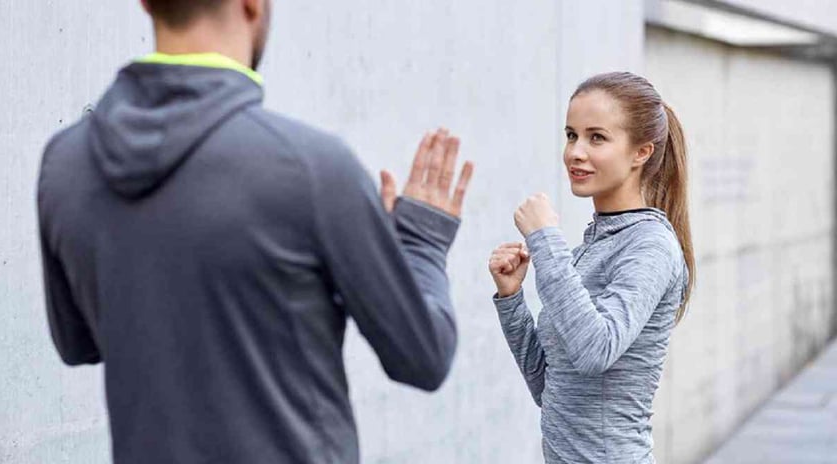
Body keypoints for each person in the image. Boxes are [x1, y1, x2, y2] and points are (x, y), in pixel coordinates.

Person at [36, 1, 473, 463]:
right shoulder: (311, 169)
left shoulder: (66, 165)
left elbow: (77, 342)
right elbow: (423, 356)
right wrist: (420, 242)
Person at [488, 71, 695, 463]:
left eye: (596, 137)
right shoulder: (593, 244)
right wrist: (511, 297)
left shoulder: (650, 245)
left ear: (641, 152)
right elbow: (548, 388)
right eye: (571, 135)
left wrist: (546, 240)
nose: (575, 152)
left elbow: (595, 350)